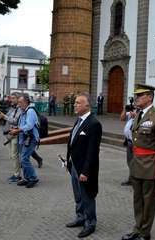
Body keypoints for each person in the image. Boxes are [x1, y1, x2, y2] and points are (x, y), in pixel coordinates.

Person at [122, 84, 155, 240]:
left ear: (150, 97)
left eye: (140, 95)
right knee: (137, 200)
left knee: (148, 201)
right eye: (136, 95)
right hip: (136, 164)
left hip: (150, 165)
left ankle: (145, 233)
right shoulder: (139, 114)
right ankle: (137, 228)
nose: (136, 98)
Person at [65, 92, 102, 238]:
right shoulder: (78, 120)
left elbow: (92, 151)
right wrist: (68, 161)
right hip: (74, 165)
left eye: (78, 103)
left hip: (85, 169)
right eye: (75, 103)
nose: (75, 105)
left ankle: (90, 223)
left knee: (87, 196)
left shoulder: (94, 124)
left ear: (87, 105)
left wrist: (85, 172)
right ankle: (80, 217)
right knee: (78, 195)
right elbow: (73, 143)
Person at [9, 94, 40, 188]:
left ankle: (33, 178)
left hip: (31, 138)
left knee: (24, 159)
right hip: (25, 138)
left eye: (20, 102)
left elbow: (29, 126)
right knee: (23, 159)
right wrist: (16, 128)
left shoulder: (30, 111)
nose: (18, 104)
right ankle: (27, 178)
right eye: (18, 102)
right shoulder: (24, 111)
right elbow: (23, 124)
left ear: (26, 102)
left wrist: (17, 130)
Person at [0, 93, 22, 182]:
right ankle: (17, 171)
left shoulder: (20, 109)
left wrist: (5, 116)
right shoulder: (11, 108)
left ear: (18, 99)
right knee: (12, 156)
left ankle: (17, 175)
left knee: (14, 155)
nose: (11, 100)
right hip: (8, 134)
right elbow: (8, 119)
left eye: (14, 98)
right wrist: (1, 117)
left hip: (15, 135)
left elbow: (15, 121)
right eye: (11, 98)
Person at [120, 105, 137, 186]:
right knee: (130, 162)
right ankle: (131, 179)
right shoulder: (132, 112)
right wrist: (125, 109)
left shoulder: (142, 113)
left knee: (135, 162)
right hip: (129, 142)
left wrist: (136, 116)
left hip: (136, 143)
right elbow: (122, 118)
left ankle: (136, 180)